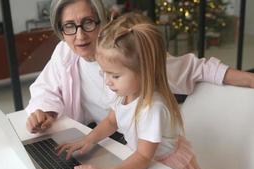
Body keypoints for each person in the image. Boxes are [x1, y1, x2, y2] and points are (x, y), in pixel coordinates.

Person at [25, 0, 254, 134]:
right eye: (69, 26)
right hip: (101, 136)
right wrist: (44, 112)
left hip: (138, 143)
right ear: (61, 31)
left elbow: (198, 69)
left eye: (87, 22)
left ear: (101, 21)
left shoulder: (127, 51)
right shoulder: (64, 53)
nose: (80, 35)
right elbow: (45, 89)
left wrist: (251, 80)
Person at [57, 12, 206, 169]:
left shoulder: (152, 108)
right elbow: (112, 121)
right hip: (142, 158)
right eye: (105, 73)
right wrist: (89, 139)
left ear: (144, 71)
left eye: (115, 75)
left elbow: (143, 157)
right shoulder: (123, 93)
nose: (107, 81)